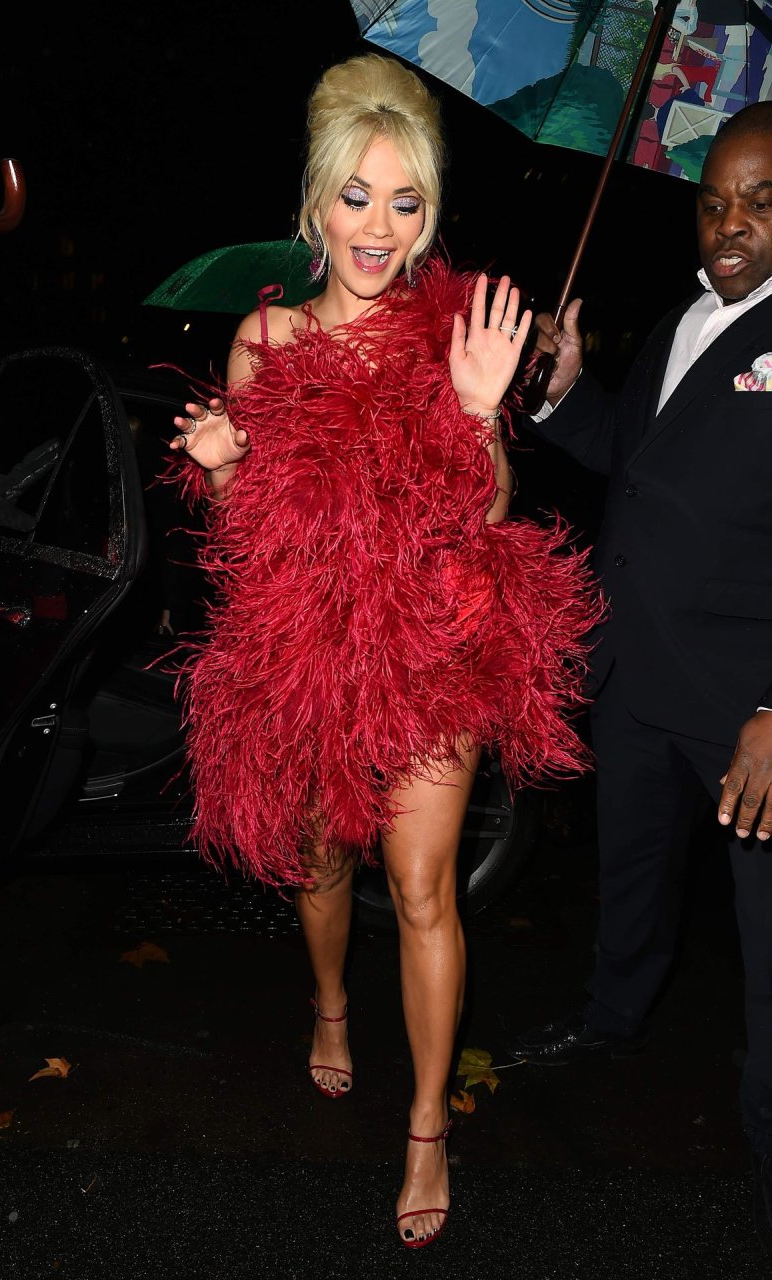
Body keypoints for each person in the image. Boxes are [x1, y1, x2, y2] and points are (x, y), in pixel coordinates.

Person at [164, 52, 601, 1249]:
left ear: (430, 213)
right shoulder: (265, 337)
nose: (377, 226)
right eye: (355, 195)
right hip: (308, 648)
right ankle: (327, 1004)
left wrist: (476, 407)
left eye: (405, 201)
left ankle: (424, 1123)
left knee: (420, 888)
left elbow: (491, 511)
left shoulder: (454, 332)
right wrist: (222, 468)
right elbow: (244, 545)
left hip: (430, 646)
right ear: (315, 201)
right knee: (318, 864)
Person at [508, 101, 772, 1260]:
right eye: (712, 201)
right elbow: (636, 458)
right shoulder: (684, 317)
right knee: (627, 870)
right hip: (635, 672)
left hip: (744, 705)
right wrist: (566, 391)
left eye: (759, 201)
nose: (729, 222)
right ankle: (612, 1017)